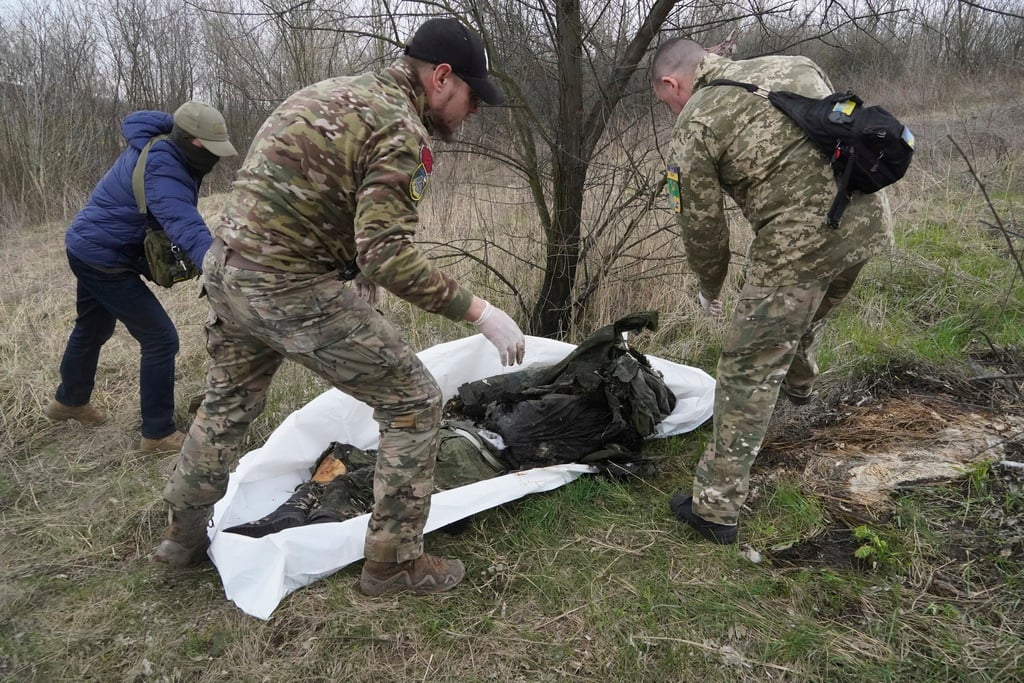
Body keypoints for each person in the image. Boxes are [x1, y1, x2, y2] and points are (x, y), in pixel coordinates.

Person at [153, 17, 527, 598]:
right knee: (414, 400)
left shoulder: (325, 92)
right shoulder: (402, 131)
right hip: (287, 286)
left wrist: (350, 270)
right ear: (441, 77)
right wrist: (478, 311)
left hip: (228, 271)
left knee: (226, 406)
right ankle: (394, 563)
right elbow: (388, 255)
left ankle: (180, 538)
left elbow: (310, 201)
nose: (471, 111)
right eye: (471, 96)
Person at [649, 38, 893, 544]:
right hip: (867, 220)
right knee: (802, 314)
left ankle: (714, 509)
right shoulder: (793, 63)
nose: (670, 107)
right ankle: (801, 386)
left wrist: (708, 287)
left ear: (673, 83)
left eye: (664, 98)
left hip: (799, 245)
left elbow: (702, 225)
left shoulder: (695, 120)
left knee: (746, 368)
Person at [222, 311, 676, 543]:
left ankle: (308, 511)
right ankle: (310, 512)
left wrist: (465, 406)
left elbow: (490, 391)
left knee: (375, 471)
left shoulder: (570, 387)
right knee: (376, 474)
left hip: (466, 444)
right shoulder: (611, 425)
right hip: (474, 452)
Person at [44, 102, 237, 452]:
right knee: (161, 339)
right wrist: (220, 270)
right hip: (104, 257)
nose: (215, 159)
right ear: (194, 143)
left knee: (93, 327)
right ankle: (158, 433)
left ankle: (68, 402)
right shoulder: (164, 167)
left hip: (89, 243)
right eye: (211, 151)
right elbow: (184, 225)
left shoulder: (163, 143)